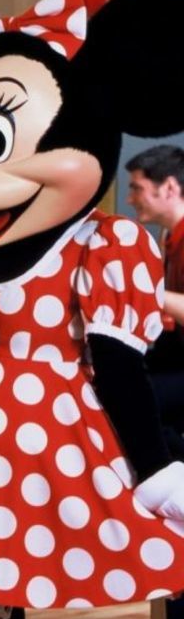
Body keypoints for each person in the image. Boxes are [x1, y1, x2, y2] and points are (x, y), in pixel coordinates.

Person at [126, 144, 184, 442]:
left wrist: (144, 289)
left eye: (137, 189)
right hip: (174, 355)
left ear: (170, 187)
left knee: (131, 402)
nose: (130, 199)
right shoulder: (169, 236)